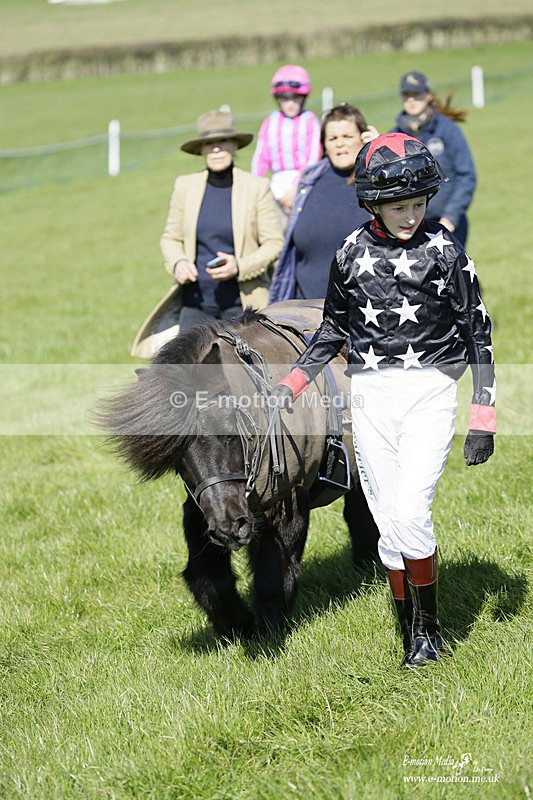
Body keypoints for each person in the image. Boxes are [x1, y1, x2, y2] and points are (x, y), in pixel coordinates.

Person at [271, 133, 496, 667]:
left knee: (412, 513)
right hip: (369, 397)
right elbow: (331, 330)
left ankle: (429, 632)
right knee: (389, 525)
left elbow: (478, 331)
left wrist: (483, 417)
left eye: (418, 204)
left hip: (430, 393)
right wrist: (291, 385)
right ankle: (408, 630)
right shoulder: (351, 252)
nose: (410, 216)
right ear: (373, 203)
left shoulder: (445, 251)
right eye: (399, 207)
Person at [131, 109, 284, 358]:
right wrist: (179, 262)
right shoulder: (185, 186)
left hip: (242, 304)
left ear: (234, 144)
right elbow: (170, 238)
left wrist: (239, 266)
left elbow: (274, 243)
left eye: (222, 141)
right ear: (201, 149)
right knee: (184, 371)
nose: (216, 149)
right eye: (209, 143)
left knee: (240, 372)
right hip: (195, 302)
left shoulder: (256, 187)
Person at [269, 104, 378, 302]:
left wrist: (377, 153)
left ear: (363, 138)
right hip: (306, 307)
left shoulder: (375, 179)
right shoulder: (308, 180)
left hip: (364, 306)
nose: (340, 144)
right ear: (324, 145)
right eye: (332, 138)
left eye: (347, 136)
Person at [391, 70, 477, 248]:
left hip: (448, 224)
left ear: (428, 95)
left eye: (417, 94)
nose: (412, 100)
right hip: (410, 226)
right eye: (407, 95)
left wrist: (450, 217)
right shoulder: (394, 137)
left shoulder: (447, 130)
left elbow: (466, 175)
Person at [251, 65, 322, 224]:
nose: (290, 104)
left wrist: (296, 188)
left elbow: (312, 159)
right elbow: (260, 158)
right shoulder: (270, 122)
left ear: (303, 98)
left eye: (295, 98)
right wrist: (256, 188)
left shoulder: (310, 121)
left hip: (303, 185)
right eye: (285, 99)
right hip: (275, 186)